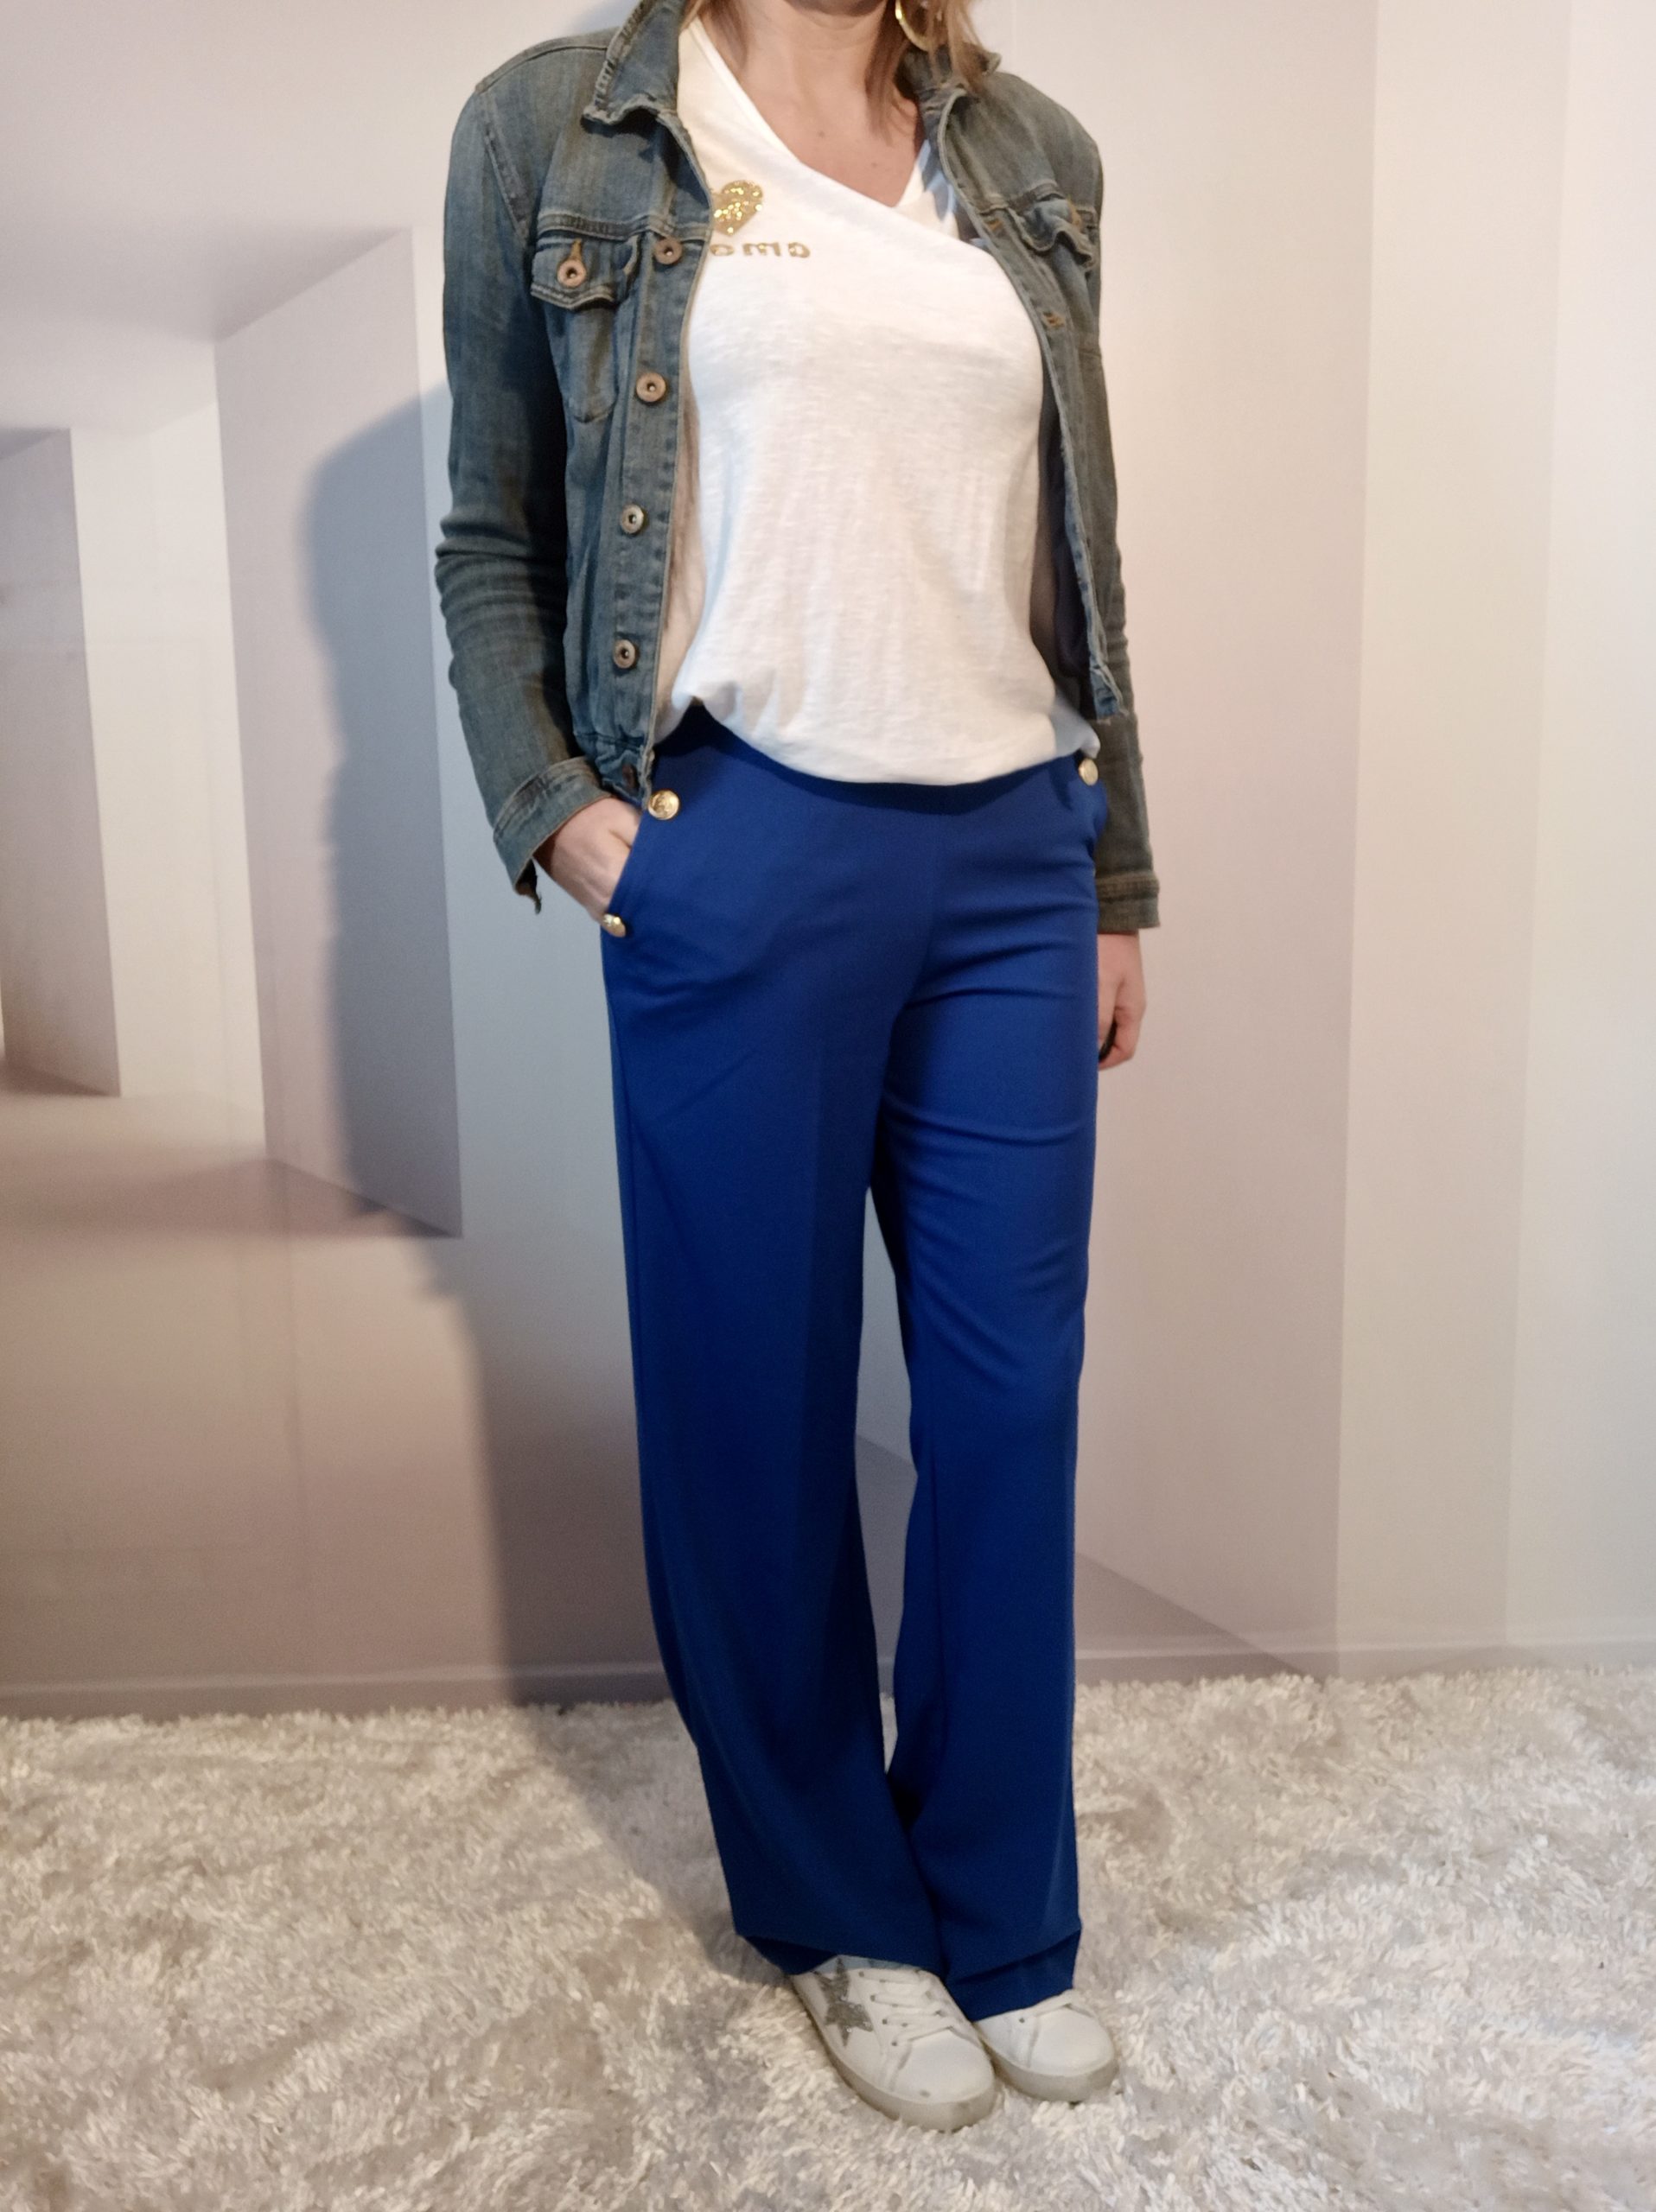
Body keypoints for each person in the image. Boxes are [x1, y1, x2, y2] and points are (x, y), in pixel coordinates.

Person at [435, 0, 1160, 2133]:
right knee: (753, 1400)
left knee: (1009, 1407)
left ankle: (1003, 1914)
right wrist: (567, 819)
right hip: (737, 836)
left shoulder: (1028, 151)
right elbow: (490, 531)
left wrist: (1113, 872)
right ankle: (845, 1912)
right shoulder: (560, 129)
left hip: (1009, 852)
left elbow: (1078, 551)